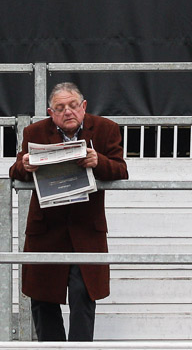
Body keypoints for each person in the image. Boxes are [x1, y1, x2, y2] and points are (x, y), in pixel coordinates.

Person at [8, 82, 129, 341]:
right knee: (42, 299)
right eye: (60, 108)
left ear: (83, 107)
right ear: (51, 113)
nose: (68, 112)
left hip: (87, 229)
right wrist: (25, 165)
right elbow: (14, 171)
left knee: (83, 294)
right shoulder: (35, 132)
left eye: (73, 106)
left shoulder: (106, 130)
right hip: (46, 230)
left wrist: (99, 162)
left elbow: (121, 169)